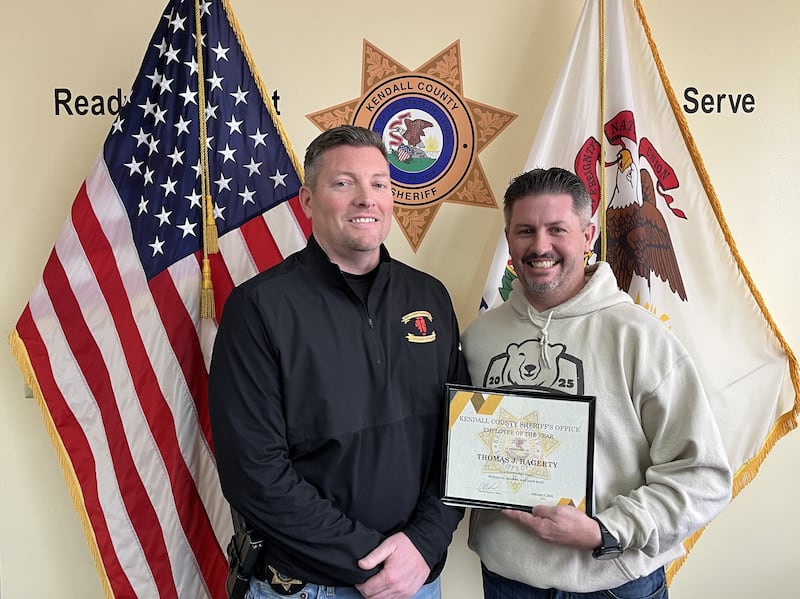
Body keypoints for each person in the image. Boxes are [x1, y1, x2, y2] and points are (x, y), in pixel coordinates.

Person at [208, 125, 468, 599]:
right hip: (310, 587)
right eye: (344, 183)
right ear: (307, 200)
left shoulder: (430, 297)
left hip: (415, 579)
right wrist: (372, 560)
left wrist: (422, 544)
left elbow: (461, 440)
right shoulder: (259, 308)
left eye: (379, 184)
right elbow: (254, 473)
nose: (366, 198)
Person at [461, 167, 731, 598]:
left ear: (588, 236)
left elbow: (704, 477)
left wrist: (606, 530)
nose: (540, 246)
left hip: (613, 582)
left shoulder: (640, 337)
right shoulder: (478, 338)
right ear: (509, 238)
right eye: (526, 231)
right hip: (506, 581)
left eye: (557, 229)